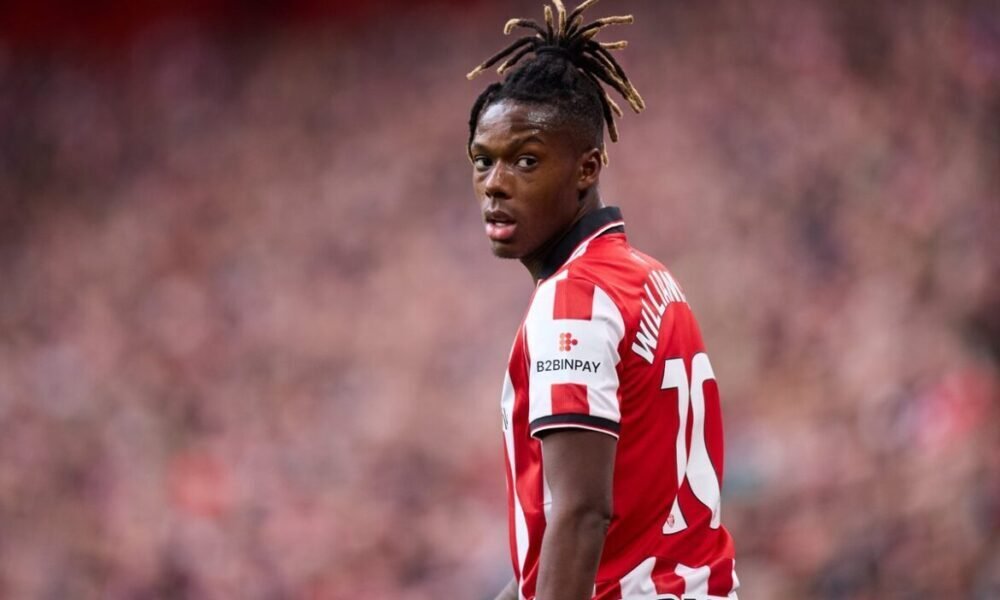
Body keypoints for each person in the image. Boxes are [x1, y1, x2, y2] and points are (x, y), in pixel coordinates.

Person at [465, 2, 738, 599]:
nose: (495, 184)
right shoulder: (649, 276)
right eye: (483, 161)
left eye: (526, 161)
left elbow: (583, 513)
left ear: (587, 168)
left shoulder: (576, 300)